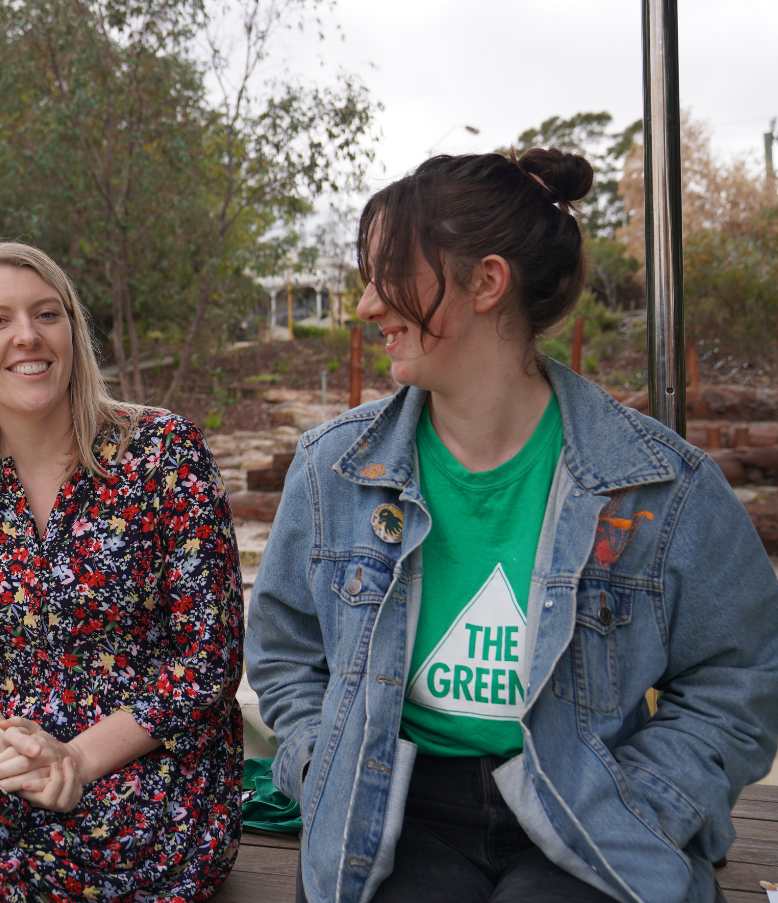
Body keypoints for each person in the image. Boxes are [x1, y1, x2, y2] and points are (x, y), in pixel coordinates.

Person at [246, 149, 778, 903]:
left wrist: (653, 805)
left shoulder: (665, 486)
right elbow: (284, 648)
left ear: (487, 282)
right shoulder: (334, 469)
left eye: (387, 274)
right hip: (390, 812)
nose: (367, 306)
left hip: (591, 805)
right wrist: (320, 764)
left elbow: (743, 677)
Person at [0, 240, 244, 903]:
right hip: (6, 755)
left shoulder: (162, 455)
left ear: (73, 330)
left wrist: (74, 758)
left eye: (48, 314)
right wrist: (13, 744)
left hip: (145, 763)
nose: (28, 336)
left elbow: (208, 662)